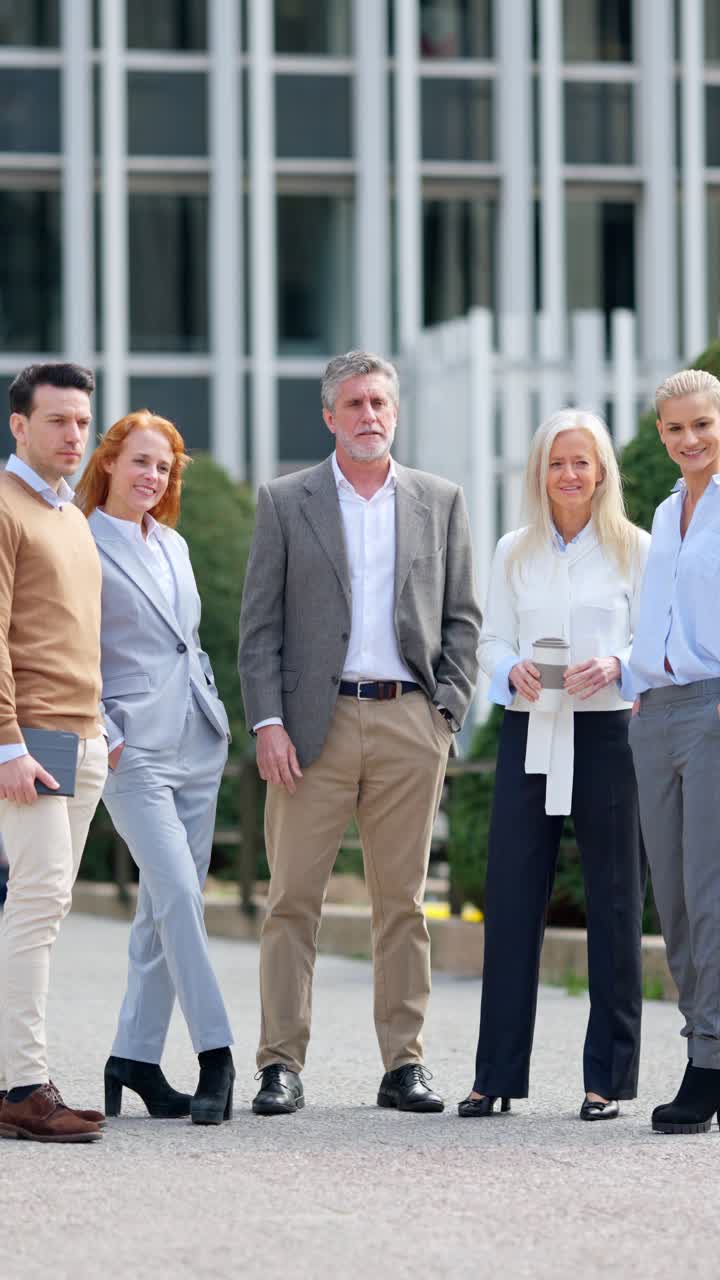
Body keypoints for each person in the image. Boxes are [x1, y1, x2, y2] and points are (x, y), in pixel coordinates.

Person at [239, 350, 481, 1116]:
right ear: (328, 416)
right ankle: (281, 1063)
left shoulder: (440, 500)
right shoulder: (286, 500)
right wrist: (269, 722)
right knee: (291, 902)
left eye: (379, 402)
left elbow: (463, 620)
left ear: (395, 411)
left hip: (411, 722)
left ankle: (403, 1064)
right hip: (314, 728)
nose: (368, 416)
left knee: (403, 904)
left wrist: (444, 713)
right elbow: (259, 628)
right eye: (353, 404)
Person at [459, 409, 649, 1122]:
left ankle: (609, 1080)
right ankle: (495, 1075)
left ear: (602, 471)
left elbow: (655, 641)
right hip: (529, 734)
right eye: (556, 463)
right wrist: (510, 670)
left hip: (608, 740)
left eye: (582, 462)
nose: (569, 475)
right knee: (509, 903)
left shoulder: (637, 550)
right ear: (540, 471)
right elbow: (489, 638)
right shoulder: (514, 549)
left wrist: (622, 664)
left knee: (616, 903)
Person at [75, 411, 235, 1126]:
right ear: (108, 462)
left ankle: (135, 1056)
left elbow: (185, 641)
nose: (151, 476)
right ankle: (218, 1051)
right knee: (178, 896)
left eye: (164, 467)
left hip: (197, 741)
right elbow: (62, 642)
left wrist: (214, 710)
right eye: (139, 461)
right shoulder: (78, 540)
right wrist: (102, 727)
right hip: (130, 750)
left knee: (158, 910)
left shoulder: (172, 544)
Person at [0, 363, 107, 1144]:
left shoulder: (70, 517)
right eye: (58, 420)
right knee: (36, 906)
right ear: (19, 426)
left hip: (84, 739)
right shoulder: (4, 507)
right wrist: (5, 744)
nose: (75, 435)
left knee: (41, 911)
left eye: (81, 421)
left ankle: (12, 1070)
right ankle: (25, 1086)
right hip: (27, 743)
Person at [628, 368, 720, 1134]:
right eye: (675, 428)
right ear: (660, 433)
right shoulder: (664, 512)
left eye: (703, 424)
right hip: (653, 713)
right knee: (676, 901)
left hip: (714, 709)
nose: (690, 439)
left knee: (712, 891)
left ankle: (709, 1062)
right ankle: (704, 1040)